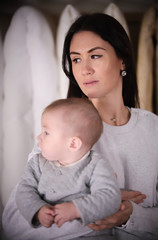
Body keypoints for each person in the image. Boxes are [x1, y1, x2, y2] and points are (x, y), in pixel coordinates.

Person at [2, 12, 158, 240]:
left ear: (122, 59)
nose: (84, 69)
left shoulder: (153, 128)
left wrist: (129, 216)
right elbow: (14, 223)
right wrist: (98, 206)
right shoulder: (62, 130)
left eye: (95, 56)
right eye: (76, 59)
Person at [3, 97, 121, 240]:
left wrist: (76, 209)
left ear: (73, 144)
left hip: (88, 234)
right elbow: (24, 190)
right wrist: (37, 210)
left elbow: (110, 196)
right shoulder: (37, 162)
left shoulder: (96, 165)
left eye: (46, 133)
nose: (39, 137)